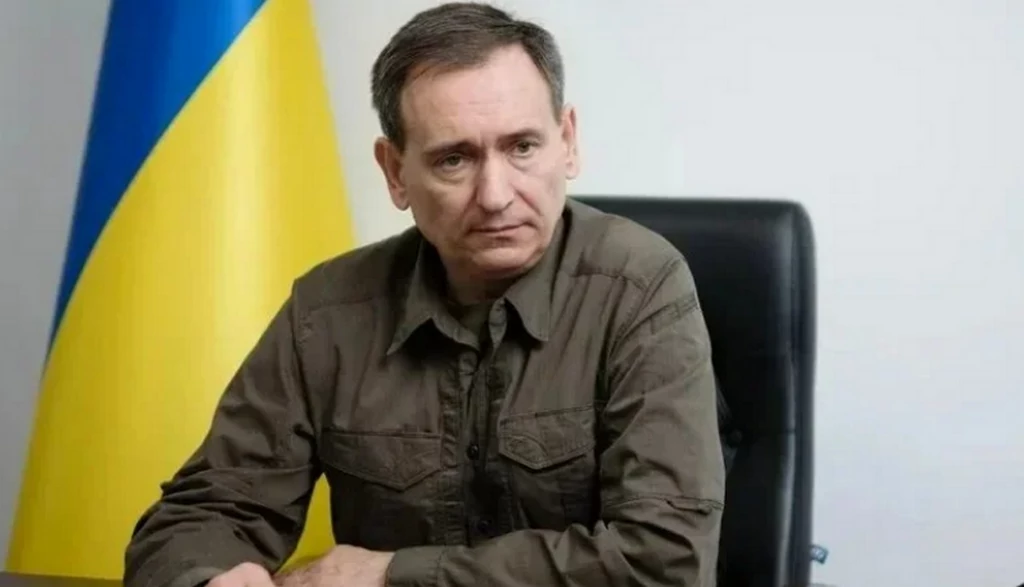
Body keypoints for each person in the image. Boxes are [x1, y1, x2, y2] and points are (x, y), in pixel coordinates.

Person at [124, 3, 726, 586]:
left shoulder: (641, 288)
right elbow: (201, 515)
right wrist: (214, 576)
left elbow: (664, 560)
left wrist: (394, 576)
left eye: (522, 147)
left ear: (567, 141)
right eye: (454, 159)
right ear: (395, 172)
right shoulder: (329, 311)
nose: (495, 195)